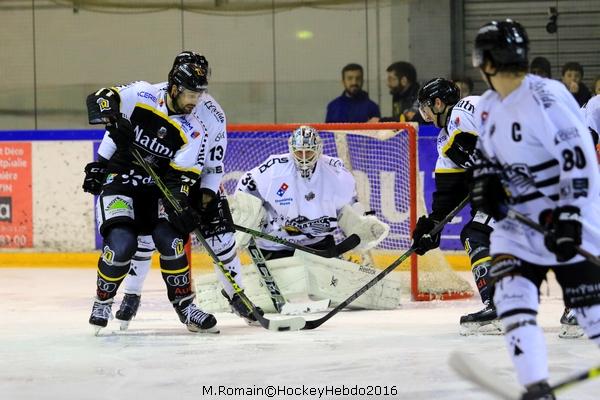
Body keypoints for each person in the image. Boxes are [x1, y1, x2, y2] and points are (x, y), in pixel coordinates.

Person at [470, 19, 600, 399]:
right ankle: (537, 387)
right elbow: (487, 160)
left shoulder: (546, 99)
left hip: (568, 218)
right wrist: (485, 184)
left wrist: (571, 217)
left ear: (487, 62)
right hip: (519, 226)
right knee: (511, 298)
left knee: (592, 316)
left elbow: (579, 161)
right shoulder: (489, 105)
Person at [83, 51, 258, 330]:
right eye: (189, 94)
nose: (194, 101)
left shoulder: (196, 128)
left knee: (172, 238)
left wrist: (183, 205)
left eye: (198, 95)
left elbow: (182, 177)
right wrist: (111, 128)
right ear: (174, 87)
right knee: (122, 244)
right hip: (120, 180)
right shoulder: (143, 94)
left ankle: (188, 308)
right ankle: (104, 300)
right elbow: (101, 98)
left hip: (156, 187)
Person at [412, 78, 499, 335]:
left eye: (427, 106)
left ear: (439, 103)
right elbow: (449, 192)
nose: (425, 113)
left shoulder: (466, 107)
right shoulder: (443, 140)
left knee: (479, 233)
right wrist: (432, 226)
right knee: (481, 234)